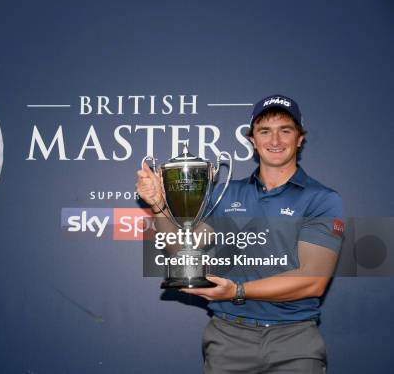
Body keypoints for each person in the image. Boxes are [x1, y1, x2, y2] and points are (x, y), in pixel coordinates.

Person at [136, 94, 344, 373]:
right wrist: (159, 206)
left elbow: (313, 282)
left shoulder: (321, 199)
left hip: (294, 342)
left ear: (300, 139)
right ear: (252, 140)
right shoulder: (225, 193)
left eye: (285, 130)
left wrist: (236, 291)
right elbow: (183, 250)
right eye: (265, 131)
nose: (275, 140)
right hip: (227, 339)